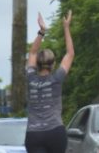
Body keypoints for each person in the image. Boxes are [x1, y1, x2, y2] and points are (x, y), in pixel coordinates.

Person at [24, 10, 74, 153]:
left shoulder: (30, 77)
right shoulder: (56, 79)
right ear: (53, 65)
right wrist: (66, 27)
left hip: (34, 134)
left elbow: (32, 52)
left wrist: (42, 32)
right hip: (55, 132)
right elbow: (70, 53)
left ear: (37, 65)